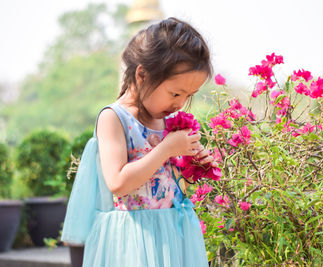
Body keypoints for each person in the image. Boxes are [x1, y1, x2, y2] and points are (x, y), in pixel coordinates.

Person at [61, 17, 215, 266]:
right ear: (142, 74)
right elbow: (118, 182)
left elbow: (169, 181)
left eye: (189, 96)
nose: (180, 103)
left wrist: (192, 164)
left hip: (171, 233)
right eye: (175, 93)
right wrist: (167, 149)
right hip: (132, 239)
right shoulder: (114, 118)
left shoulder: (169, 120)